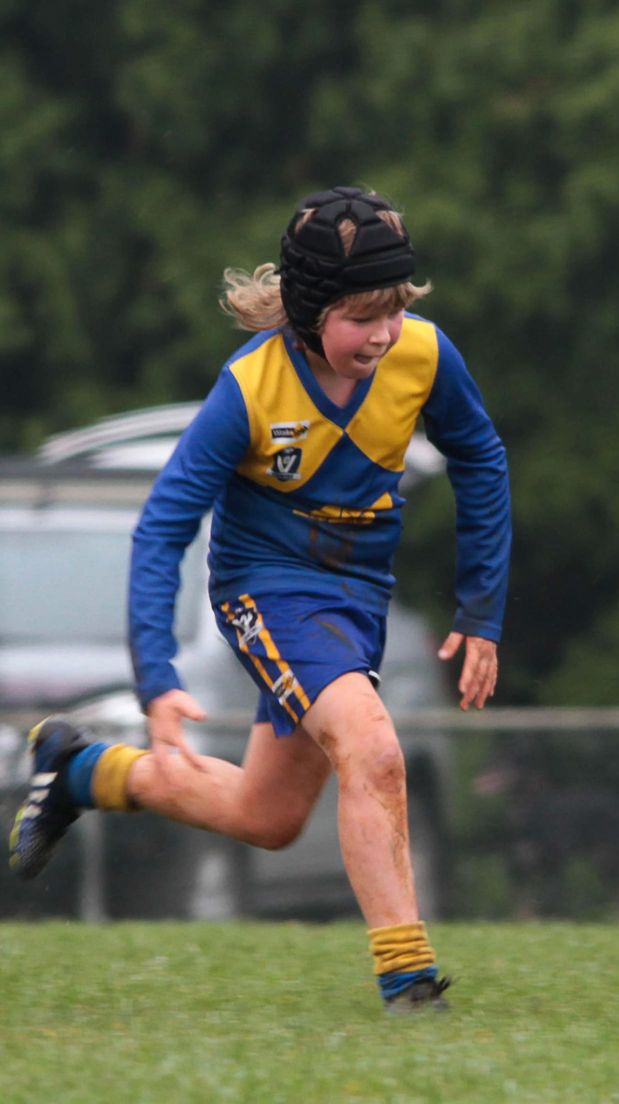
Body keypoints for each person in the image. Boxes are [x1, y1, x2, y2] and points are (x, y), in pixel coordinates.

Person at [9, 186, 511, 1012]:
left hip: (357, 598)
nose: (382, 334)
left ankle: (81, 768)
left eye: (393, 310)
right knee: (374, 748)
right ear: (311, 310)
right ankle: (409, 980)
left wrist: (481, 609)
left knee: (268, 814)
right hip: (267, 591)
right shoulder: (249, 391)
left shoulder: (422, 354)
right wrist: (157, 676)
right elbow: (162, 529)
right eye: (360, 315)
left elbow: (482, 458)